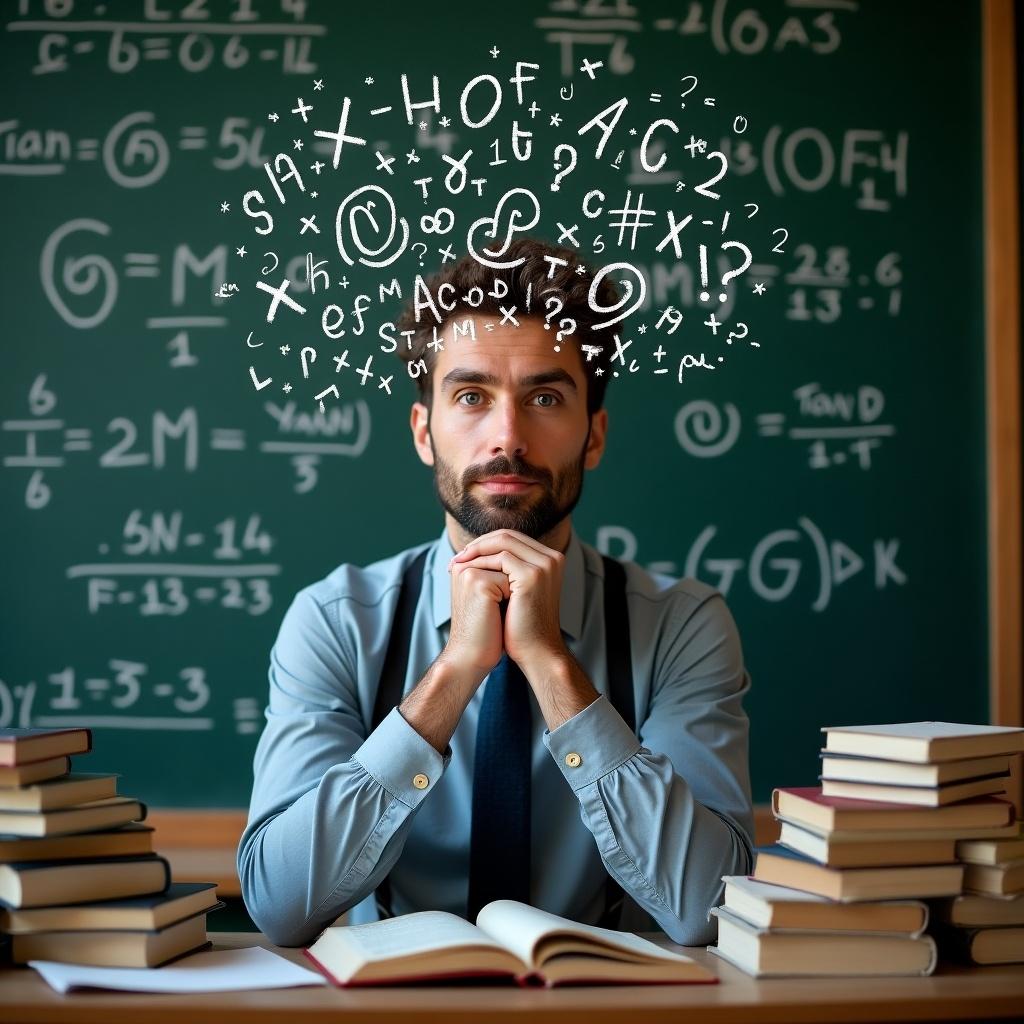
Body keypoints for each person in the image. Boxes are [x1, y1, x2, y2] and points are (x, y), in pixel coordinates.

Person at [237, 238, 754, 948]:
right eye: (471, 395)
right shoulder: (335, 621)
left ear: (594, 436)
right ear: (425, 432)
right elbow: (277, 901)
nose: (507, 436)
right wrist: (453, 675)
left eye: (545, 396)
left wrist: (548, 664)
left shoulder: (681, 625)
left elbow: (708, 905)